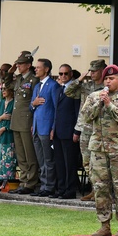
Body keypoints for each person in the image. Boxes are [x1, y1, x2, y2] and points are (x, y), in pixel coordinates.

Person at [83, 64, 118, 236]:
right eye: (106, 78)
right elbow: (86, 116)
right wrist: (100, 103)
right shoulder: (94, 96)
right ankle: (104, 224)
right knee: (100, 188)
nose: (108, 81)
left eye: (112, 78)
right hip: (98, 149)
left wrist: (110, 105)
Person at [68, 59, 106, 201]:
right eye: (90, 70)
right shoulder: (86, 86)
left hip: (99, 129)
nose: (92, 73)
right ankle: (93, 189)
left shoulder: (106, 87)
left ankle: (102, 192)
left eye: (95, 71)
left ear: (102, 71)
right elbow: (68, 91)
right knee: (86, 162)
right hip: (85, 128)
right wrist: (79, 79)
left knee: (99, 162)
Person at [6, 51, 40, 195]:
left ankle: (31, 182)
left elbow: (35, 100)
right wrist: (10, 71)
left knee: (29, 153)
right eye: (17, 63)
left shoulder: (33, 80)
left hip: (27, 120)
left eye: (20, 64)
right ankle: (24, 180)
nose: (18, 66)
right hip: (16, 120)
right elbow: (7, 84)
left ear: (28, 65)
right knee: (20, 154)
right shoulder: (19, 79)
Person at [30, 58, 59, 197]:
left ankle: (50, 186)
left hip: (46, 127)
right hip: (36, 126)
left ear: (46, 69)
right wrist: (34, 103)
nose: (36, 69)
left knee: (48, 159)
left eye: (38, 67)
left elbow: (56, 108)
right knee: (40, 159)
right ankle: (43, 185)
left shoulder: (53, 85)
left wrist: (53, 127)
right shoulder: (36, 86)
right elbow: (31, 106)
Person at [52, 65, 81, 199]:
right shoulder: (58, 90)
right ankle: (61, 188)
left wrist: (76, 130)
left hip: (69, 131)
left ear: (71, 74)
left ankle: (70, 189)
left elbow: (77, 112)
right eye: (61, 74)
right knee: (59, 161)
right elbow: (56, 112)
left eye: (66, 74)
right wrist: (53, 128)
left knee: (69, 162)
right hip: (58, 130)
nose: (63, 76)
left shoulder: (75, 90)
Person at [0, 85, 17, 191]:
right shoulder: (1, 104)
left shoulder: (14, 103)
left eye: (5, 89)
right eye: (2, 89)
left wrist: (5, 128)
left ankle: (8, 182)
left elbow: (15, 119)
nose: (3, 91)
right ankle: (2, 181)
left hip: (9, 135)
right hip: (0, 136)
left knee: (9, 158)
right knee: (1, 159)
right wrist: (1, 118)